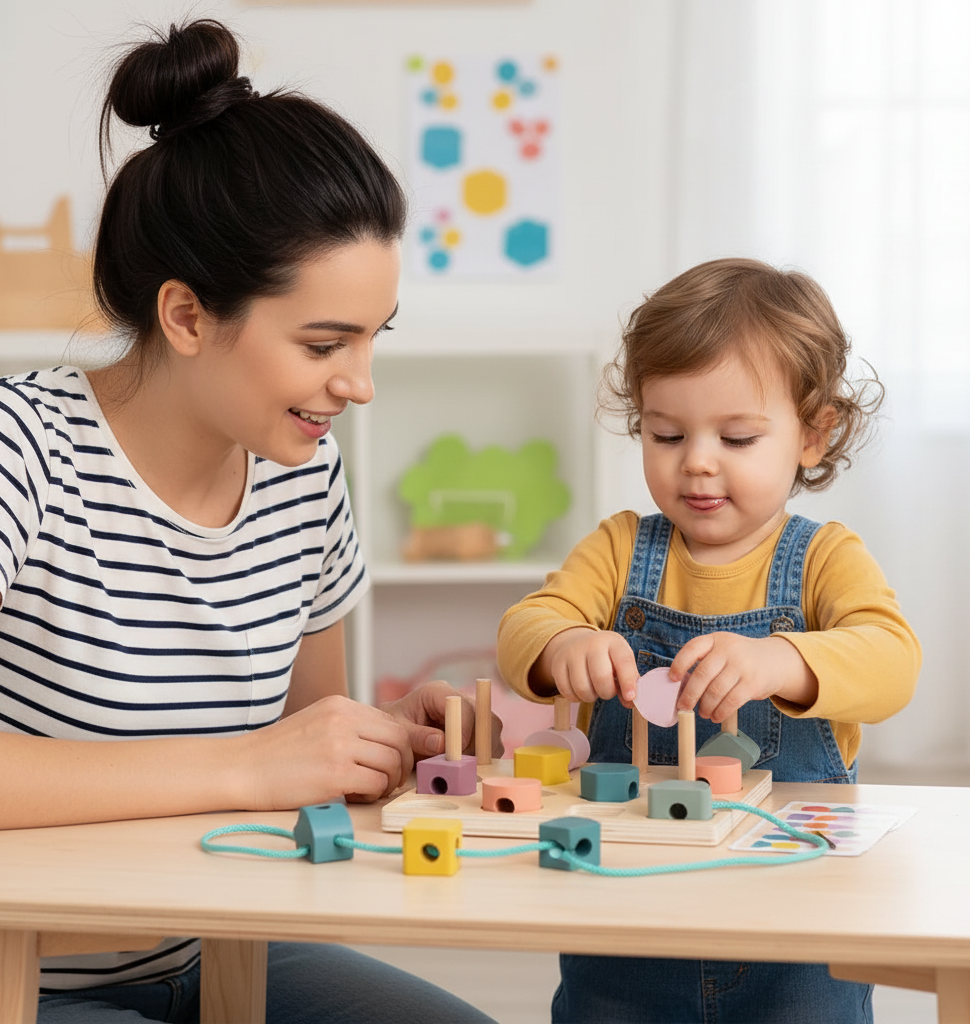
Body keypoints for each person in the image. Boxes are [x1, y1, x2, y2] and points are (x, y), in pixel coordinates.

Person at [0, 18, 501, 1024]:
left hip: (224, 950)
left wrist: (379, 742)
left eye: (372, 339)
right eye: (324, 342)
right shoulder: (25, 452)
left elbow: (301, 748)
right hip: (31, 972)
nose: (357, 385)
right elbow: (259, 761)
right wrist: (245, 763)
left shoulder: (303, 476)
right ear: (187, 316)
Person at [496, 257, 921, 1024]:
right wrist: (560, 645)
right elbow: (526, 621)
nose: (696, 459)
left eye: (737, 436)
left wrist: (783, 659)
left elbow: (893, 662)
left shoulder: (824, 557)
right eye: (667, 433)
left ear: (814, 435)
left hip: (797, 922)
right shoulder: (622, 547)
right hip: (628, 913)